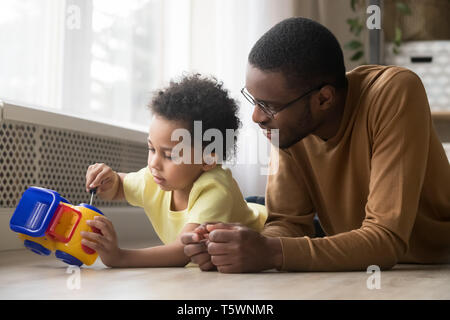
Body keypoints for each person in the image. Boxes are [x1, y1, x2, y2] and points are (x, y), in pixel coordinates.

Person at [181, 17, 450, 273]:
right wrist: (234, 250)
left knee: (252, 207)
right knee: (247, 218)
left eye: (269, 106)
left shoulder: (393, 92)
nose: (257, 117)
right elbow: (287, 224)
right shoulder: (289, 127)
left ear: (324, 99)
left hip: (429, 257)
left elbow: (386, 240)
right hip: (344, 242)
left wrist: (272, 252)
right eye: (254, 101)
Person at [82, 74, 267, 268]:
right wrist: (107, 179)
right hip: (244, 206)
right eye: (151, 149)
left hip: (265, 222)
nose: (154, 163)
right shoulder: (153, 177)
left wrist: (121, 257)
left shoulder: (216, 190)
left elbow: (183, 251)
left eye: (169, 155)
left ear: (208, 158)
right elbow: (119, 187)